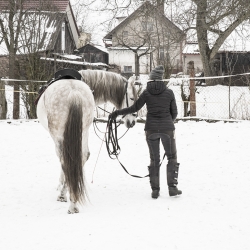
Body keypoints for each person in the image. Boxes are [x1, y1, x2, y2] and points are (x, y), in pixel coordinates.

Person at [109, 65, 182, 199]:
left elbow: (134, 108)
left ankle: (155, 190)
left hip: (150, 130)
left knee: (154, 159)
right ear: (161, 79)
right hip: (167, 130)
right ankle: (172, 188)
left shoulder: (147, 93)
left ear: (151, 78)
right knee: (172, 157)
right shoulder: (169, 92)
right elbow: (175, 113)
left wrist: (117, 113)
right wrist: (167, 123)